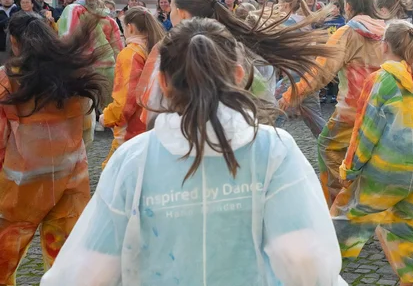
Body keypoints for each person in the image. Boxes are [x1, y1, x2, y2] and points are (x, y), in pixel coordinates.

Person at [42, 18, 345, 286]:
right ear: (239, 75)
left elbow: (86, 271)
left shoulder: (134, 159)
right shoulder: (275, 149)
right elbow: (307, 260)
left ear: (161, 80)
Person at [331, 21, 413, 285]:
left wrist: (349, 168)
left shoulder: (381, 80)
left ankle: (309, 272)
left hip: (384, 171)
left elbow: (366, 130)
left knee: (343, 224)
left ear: (384, 46)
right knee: (405, 232)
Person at [0, 12, 107, 285]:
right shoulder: (74, 72)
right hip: (71, 175)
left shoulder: (8, 79)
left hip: (21, 182)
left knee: (4, 257)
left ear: (14, 42)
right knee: (66, 261)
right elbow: (86, 127)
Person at [138, 0, 336, 127]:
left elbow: (152, 108)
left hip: (183, 137)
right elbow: (263, 98)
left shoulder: (173, 48)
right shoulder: (234, 44)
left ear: (181, 13)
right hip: (236, 136)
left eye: (172, 7)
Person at [279, 0, 386, 205]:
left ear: (348, 6)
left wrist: (291, 94)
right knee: (368, 153)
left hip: (352, 109)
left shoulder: (347, 33)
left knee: (327, 146)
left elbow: (321, 72)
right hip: (384, 107)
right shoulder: (386, 31)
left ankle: (340, 204)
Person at [98, 7, 166, 168]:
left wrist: (107, 117)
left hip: (131, 132)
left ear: (130, 27)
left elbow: (126, 99)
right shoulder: (157, 48)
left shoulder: (130, 53)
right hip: (153, 126)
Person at [58, 0, 124, 111]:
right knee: (106, 104)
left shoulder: (74, 10)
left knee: (85, 106)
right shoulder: (108, 18)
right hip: (107, 64)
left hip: (83, 64)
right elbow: (117, 45)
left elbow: (68, 36)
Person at [274, 0, 326, 139]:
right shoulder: (304, 21)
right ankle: (332, 148)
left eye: (279, 2)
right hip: (308, 74)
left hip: (294, 76)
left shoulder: (287, 22)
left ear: (285, 4)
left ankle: (266, 147)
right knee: (315, 120)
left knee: (274, 113)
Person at [0, 0, 18, 64]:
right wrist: (10, 19)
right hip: (1, 47)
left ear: (13, 0)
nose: (6, 0)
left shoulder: (19, 10)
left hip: (17, 46)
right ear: (0, 1)